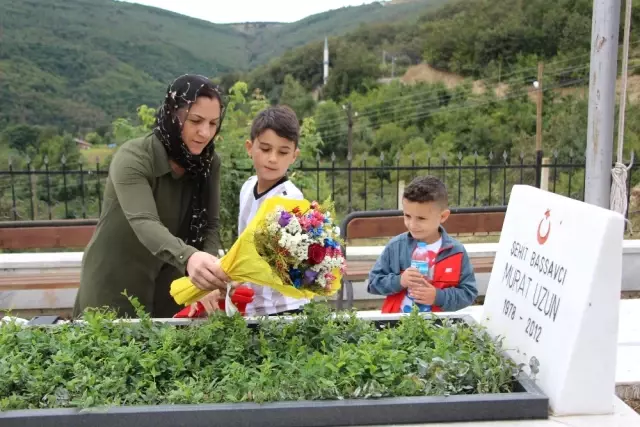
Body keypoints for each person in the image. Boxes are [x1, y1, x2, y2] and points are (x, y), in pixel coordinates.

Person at [73, 74, 230, 318]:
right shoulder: (134, 158)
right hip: (114, 282)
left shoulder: (209, 163)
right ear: (172, 115)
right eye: (195, 120)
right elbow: (143, 221)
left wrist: (206, 272)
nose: (204, 132)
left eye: (213, 123)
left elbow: (210, 225)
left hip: (173, 284)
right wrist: (189, 258)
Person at [189, 105, 309, 317]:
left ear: (294, 156)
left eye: (283, 152)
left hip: (284, 308)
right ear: (249, 147)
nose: (273, 158)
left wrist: (228, 278)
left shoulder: (290, 199)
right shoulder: (248, 187)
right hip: (253, 305)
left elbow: (274, 259)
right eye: (265, 149)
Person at [367, 175, 478, 313]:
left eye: (421, 218)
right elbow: (373, 284)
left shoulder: (456, 251)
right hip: (397, 327)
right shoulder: (396, 246)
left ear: (443, 216)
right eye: (407, 216)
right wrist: (399, 281)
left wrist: (438, 297)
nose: (412, 225)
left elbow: (469, 293)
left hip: (438, 329)